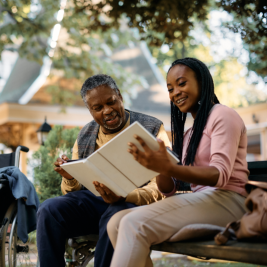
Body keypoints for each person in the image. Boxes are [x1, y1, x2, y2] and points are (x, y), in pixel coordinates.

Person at [107, 58, 249, 267]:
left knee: (132, 223)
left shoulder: (222, 115)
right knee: (116, 222)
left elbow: (220, 175)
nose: (175, 93)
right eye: (170, 89)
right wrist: (158, 168)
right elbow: (169, 189)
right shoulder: (189, 134)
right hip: (204, 201)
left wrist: (169, 167)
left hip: (230, 201)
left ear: (201, 81)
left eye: (182, 84)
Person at [36, 74, 171, 267]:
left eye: (111, 102)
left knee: (114, 216)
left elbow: (161, 189)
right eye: (97, 108)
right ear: (90, 110)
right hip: (95, 203)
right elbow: (70, 194)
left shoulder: (151, 128)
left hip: (131, 205)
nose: (107, 111)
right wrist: (70, 178)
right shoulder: (85, 134)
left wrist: (124, 196)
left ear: (120, 97)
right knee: (49, 209)